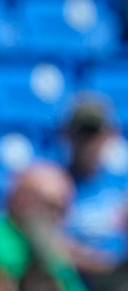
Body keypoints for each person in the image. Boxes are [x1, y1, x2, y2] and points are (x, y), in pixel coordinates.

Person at [0, 162, 88, 291]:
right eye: (52, 206)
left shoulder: (53, 252)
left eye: (64, 209)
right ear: (23, 199)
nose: (59, 217)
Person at [57, 95, 128, 287]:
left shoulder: (122, 186)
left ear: (110, 135)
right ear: (67, 135)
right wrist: (103, 264)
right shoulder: (53, 185)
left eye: (94, 133)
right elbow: (51, 247)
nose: (88, 142)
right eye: (82, 133)